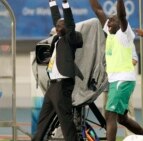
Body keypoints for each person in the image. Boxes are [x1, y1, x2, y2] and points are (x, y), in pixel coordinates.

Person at [89, 0, 143, 140]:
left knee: (110, 114)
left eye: (112, 20)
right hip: (116, 81)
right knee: (122, 119)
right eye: (107, 21)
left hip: (123, 80)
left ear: (120, 24)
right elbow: (98, 10)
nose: (108, 22)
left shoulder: (125, 34)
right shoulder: (109, 33)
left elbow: (122, 15)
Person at [32, 0, 83, 141]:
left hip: (63, 84)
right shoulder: (57, 39)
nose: (57, 27)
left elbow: (69, 22)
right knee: (43, 121)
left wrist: (65, 4)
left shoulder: (70, 39)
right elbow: (57, 19)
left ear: (67, 27)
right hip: (53, 85)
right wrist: (52, 3)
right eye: (57, 25)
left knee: (65, 120)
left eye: (61, 25)